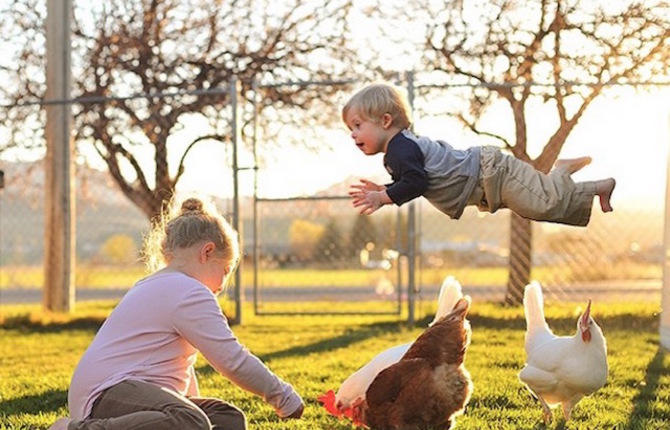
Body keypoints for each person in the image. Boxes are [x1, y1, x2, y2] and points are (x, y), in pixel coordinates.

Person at [49, 196, 304, 430]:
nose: (223, 284)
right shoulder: (186, 290)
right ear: (207, 252)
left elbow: (179, 362)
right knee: (189, 421)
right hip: (107, 393)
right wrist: (282, 396)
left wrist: (188, 402)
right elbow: (231, 359)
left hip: (124, 391)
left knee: (227, 419)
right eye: (225, 271)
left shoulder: (164, 284)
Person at [343, 83, 616, 227]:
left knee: (544, 204)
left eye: (357, 125)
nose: (353, 135)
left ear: (386, 120)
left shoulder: (401, 149)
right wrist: (386, 190)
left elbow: (416, 183)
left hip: (493, 173)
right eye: (350, 129)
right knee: (546, 207)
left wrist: (383, 197)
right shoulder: (400, 150)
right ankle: (596, 187)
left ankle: (562, 171)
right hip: (488, 182)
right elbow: (413, 179)